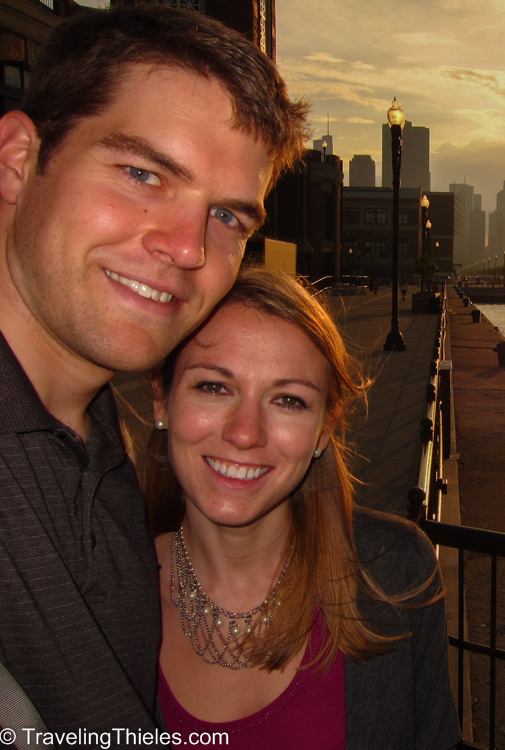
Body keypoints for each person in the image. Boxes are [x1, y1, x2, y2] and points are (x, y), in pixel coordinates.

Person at [0, 6, 308, 733]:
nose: (188, 249)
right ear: (17, 162)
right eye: (143, 173)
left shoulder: (106, 454)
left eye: (227, 218)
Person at [144, 265, 460, 748]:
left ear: (325, 428)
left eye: (288, 400)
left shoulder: (393, 578)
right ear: (161, 399)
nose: (245, 433)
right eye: (213, 387)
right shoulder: (97, 594)